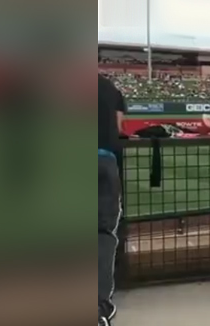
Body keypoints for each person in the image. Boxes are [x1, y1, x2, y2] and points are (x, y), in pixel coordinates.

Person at [98, 73, 127, 326]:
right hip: (105, 160)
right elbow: (119, 128)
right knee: (103, 234)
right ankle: (99, 307)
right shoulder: (109, 86)